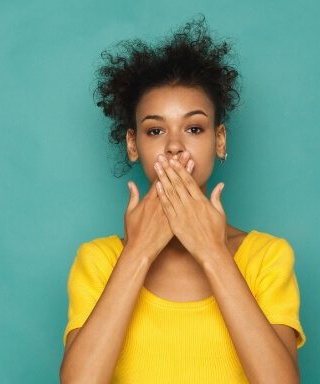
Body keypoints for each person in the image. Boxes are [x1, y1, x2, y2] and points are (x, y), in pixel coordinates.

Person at [60, 14, 306, 383]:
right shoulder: (98, 261)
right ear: (133, 144)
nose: (174, 145)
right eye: (155, 130)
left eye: (194, 128)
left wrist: (212, 251)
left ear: (218, 140)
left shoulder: (267, 258)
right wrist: (138, 252)